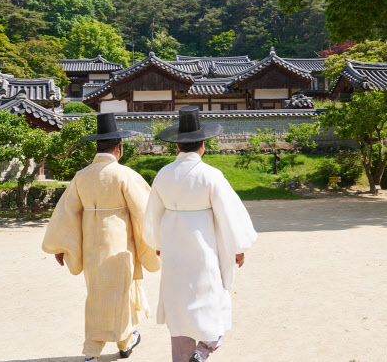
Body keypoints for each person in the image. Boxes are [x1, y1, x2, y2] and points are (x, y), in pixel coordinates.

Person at [42, 113, 161, 361]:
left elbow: (66, 214)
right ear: (119, 148)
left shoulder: (81, 176)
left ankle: (105, 348)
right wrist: (158, 241)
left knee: (97, 296)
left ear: (97, 147)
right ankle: (111, 346)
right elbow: (146, 212)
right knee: (121, 294)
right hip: (120, 246)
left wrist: (62, 247)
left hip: (91, 247)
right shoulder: (125, 175)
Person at [144, 106, 257, 362]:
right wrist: (238, 247)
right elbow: (230, 215)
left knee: (181, 309)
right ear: (203, 145)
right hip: (204, 250)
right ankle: (204, 350)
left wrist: (158, 243)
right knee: (212, 304)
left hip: (173, 250)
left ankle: (184, 357)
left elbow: (152, 215)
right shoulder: (211, 175)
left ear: (177, 146)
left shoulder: (163, 175)